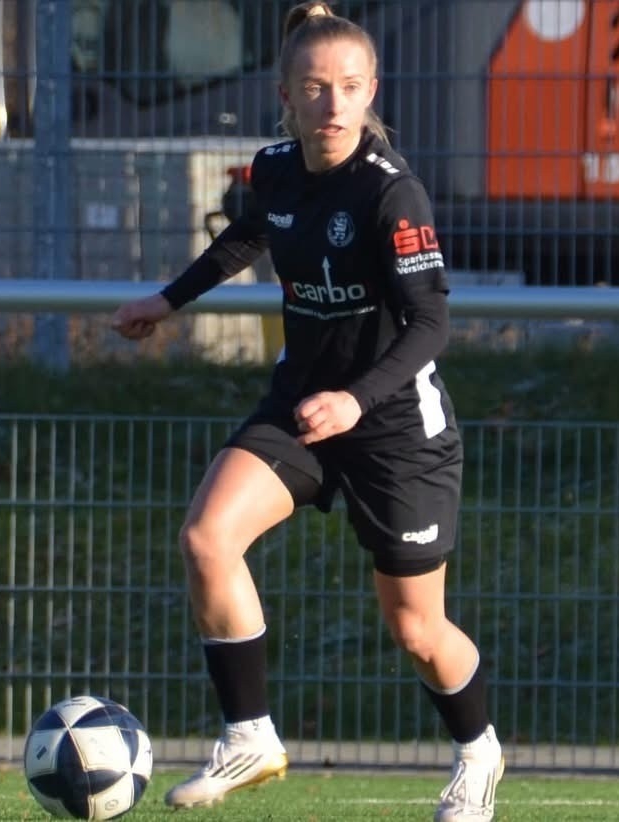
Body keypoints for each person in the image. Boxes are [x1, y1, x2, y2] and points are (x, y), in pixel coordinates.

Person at [111, 3, 502, 819]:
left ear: (371, 91)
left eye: (349, 87)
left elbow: (432, 324)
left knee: (416, 631)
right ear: (285, 94)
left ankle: (478, 751)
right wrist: (166, 301)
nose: (333, 104)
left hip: (396, 427)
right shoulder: (275, 167)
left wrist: (357, 399)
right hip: (301, 406)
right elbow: (247, 236)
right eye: (316, 88)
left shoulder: (393, 193)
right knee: (207, 538)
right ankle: (250, 737)